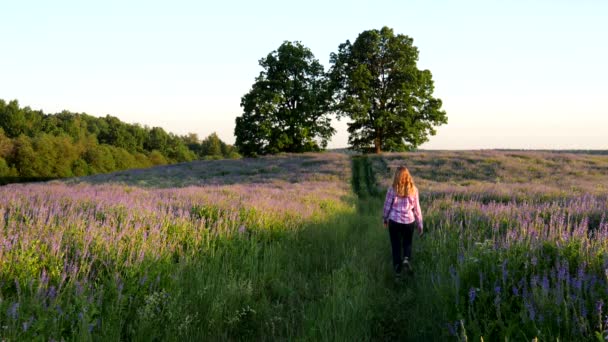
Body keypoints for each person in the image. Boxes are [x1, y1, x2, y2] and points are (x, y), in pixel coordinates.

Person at [382, 166, 423, 279]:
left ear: (396, 176)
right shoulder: (414, 189)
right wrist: (420, 223)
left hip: (394, 221)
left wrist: (385, 219)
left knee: (396, 246)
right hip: (409, 221)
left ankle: (398, 274)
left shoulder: (392, 189)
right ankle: (406, 259)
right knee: (407, 243)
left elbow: (387, 206)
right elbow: (417, 208)